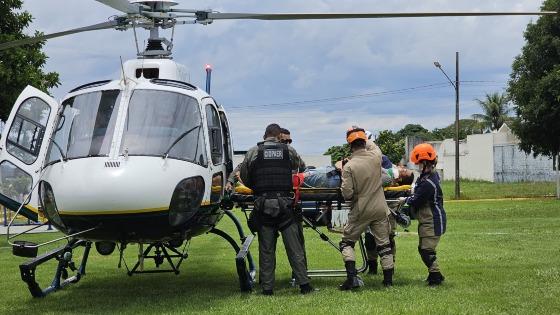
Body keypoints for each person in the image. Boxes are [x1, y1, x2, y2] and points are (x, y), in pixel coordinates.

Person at [238, 123, 313, 295]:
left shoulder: (253, 152)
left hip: (263, 206)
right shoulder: (289, 151)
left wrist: (259, 187)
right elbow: (300, 168)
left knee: (266, 249)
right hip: (286, 205)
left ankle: (267, 288)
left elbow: (245, 178)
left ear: (265, 135)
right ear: (279, 136)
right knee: (295, 248)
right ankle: (304, 285)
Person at [339, 126, 394, 289]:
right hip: (380, 209)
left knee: (347, 243)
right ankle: (388, 282)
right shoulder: (376, 158)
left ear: (350, 146)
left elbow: (347, 194)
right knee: (384, 245)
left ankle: (351, 279)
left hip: (361, 210)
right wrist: (361, 134)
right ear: (364, 142)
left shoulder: (349, 166)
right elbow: (374, 147)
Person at [402, 143, 447, 286]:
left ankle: (436, 276)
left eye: (418, 163)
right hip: (427, 219)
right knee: (423, 249)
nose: (417, 165)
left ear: (425, 162)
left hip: (432, 220)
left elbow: (416, 200)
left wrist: (405, 199)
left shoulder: (428, 181)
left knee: (427, 250)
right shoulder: (427, 176)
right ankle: (435, 274)